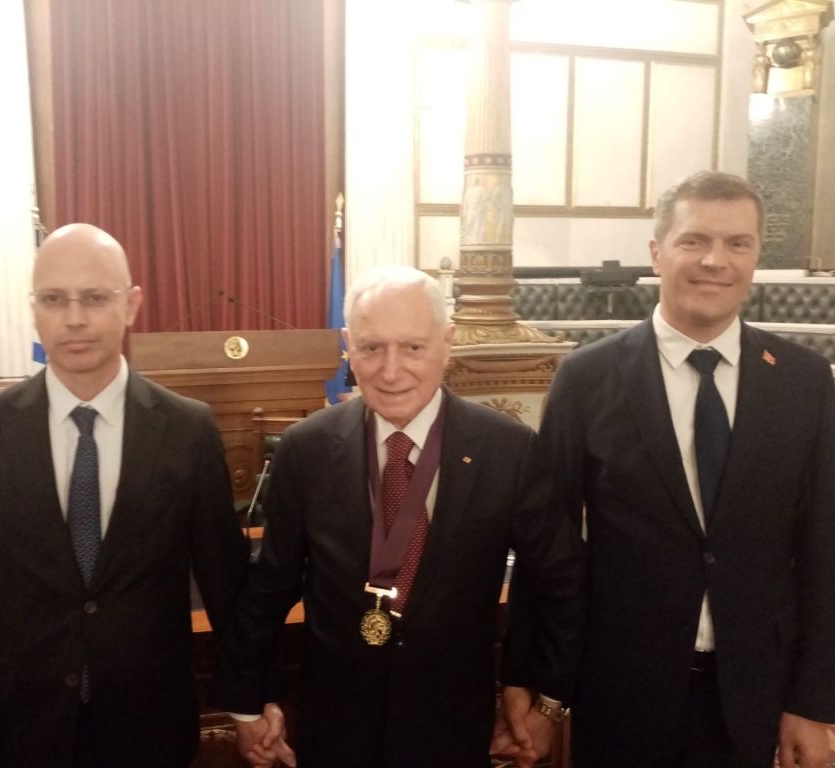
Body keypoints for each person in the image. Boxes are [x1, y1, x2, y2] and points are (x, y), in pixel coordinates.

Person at [539, 171, 835, 768]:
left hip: (750, 693)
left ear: (756, 256)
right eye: (695, 241)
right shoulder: (586, 378)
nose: (716, 261)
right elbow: (549, 544)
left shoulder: (803, 381)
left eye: (738, 243)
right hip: (620, 690)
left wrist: (811, 704)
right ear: (657, 253)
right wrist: (541, 687)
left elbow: (823, 551)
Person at [215, 266, 584, 768]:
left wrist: (547, 701)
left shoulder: (509, 450)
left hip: (454, 727)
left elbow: (557, 580)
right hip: (334, 728)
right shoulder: (306, 449)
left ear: (446, 343)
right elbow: (270, 584)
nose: (391, 372)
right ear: (348, 345)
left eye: (413, 347)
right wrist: (247, 702)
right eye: (372, 348)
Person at [0, 223, 248, 768]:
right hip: (25, 732)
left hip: (151, 728)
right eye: (54, 299)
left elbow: (227, 583)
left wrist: (249, 703)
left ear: (131, 305)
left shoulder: (187, 429)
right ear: (34, 309)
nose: (74, 318)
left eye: (95, 298)